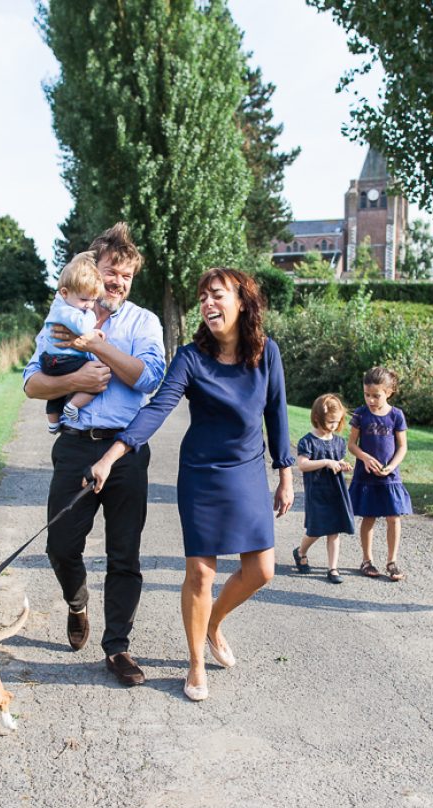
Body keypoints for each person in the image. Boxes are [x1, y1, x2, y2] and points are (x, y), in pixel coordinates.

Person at [88, 268, 294, 702]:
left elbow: (276, 413)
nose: (207, 304)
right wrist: (111, 455)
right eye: (202, 298)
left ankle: (213, 623)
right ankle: (196, 662)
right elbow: (157, 408)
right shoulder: (190, 357)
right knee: (201, 572)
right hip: (202, 474)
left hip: (249, 472)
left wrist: (285, 474)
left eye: (216, 295)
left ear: (242, 302)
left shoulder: (267, 353)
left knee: (262, 570)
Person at [23, 223, 165, 686]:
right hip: (75, 447)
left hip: (126, 449)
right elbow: (32, 382)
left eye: (126, 276)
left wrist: (100, 346)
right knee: (60, 545)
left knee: (125, 554)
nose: (118, 282)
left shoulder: (144, 323)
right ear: (92, 269)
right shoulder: (63, 314)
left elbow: (147, 379)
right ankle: (77, 603)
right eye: (111, 272)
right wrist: (75, 382)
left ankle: (118, 648)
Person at [347, 366, 412, 581]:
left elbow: (402, 447)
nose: (371, 400)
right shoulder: (360, 414)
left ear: (389, 392)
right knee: (369, 516)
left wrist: (392, 466)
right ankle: (367, 560)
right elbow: (351, 445)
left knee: (394, 517)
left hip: (390, 476)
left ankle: (392, 562)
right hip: (366, 475)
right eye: (367, 395)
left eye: (376, 395)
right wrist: (364, 457)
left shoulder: (396, 415)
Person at [39, 251, 105, 434]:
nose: (89, 305)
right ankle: (73, 405)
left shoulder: (61, 306)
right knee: (98, 376)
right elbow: (82, 327)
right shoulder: (67, 310)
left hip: (52, 360)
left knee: (57, 392)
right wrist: (92, 316)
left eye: (93, 300)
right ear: (65, 292)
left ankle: (53, 424)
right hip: (64, 359)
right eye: (84, 300)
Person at [292, 393, 354, 584]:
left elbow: (337, 459)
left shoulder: (338, 442)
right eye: (330, 422)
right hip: (317, 492)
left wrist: (342, 464)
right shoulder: (308, 441)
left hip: (336, 491)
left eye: (337, 422)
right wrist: (326, 462)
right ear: (317, 418)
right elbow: (302, 464)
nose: (334, 426)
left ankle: (332, 568)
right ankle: (301, 551)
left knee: (334, 530)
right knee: (316, 530)